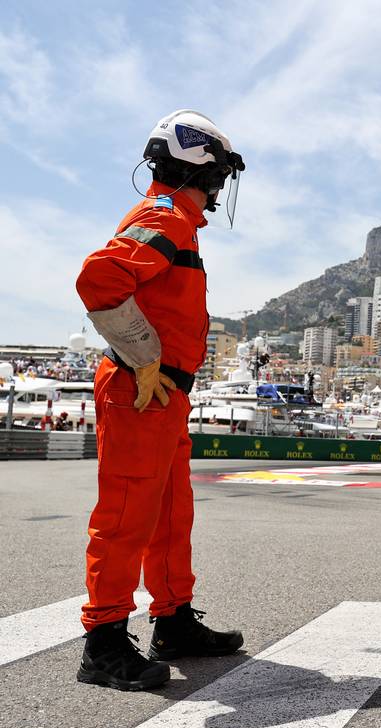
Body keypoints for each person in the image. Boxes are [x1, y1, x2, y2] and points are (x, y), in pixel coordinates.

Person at [74, 110, 246, 691]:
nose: (220, 187)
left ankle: (172, 621)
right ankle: (102, 644)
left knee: (170, 514)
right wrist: (144, 358)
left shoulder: (178, 224)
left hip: (162, 392)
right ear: (205, 169)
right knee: (126, 516)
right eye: (220, 174)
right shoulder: (164, 217)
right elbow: (99, 280)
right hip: (139, 386)